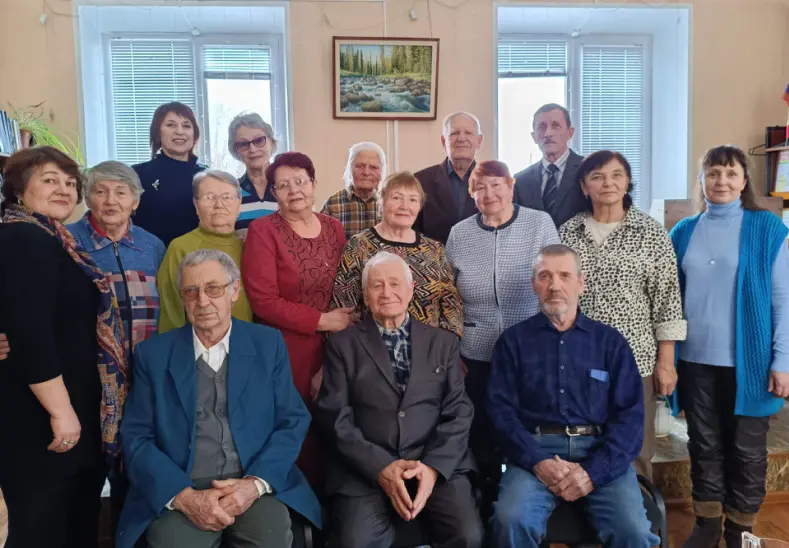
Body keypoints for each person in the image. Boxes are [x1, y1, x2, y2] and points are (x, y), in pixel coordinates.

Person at [116, 249, 321, 548]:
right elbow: (136, 436)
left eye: (213, 288)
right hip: (182, 486)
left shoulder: (267, 344)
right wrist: (183, 497)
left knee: (271, 537)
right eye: (191, 291)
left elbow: (292, 420)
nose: (202, 301)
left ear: (234, 291)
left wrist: (254, 485)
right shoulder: (154, 355)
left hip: (252, 482)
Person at [488, 244, 659, 548]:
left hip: (600, 449)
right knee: (510, 520)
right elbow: (501, 414)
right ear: (534, 284)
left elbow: (630, 419)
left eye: (565, 276)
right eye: (545, 276)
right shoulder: (513, 342)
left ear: (581, 283)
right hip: (535, 450)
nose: (555, 285)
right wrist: (538, 462)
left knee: (633, 530)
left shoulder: (611, 343)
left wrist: (592, 473)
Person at [0, 147, 127, 548]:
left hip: (66, 408)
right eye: (50, 180)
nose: (64, 189)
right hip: (42, 418)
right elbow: (30, 334)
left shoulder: (56, 239)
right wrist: (62, 413)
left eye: (70, 183)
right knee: (44, 526)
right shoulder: (23, 238)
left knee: (73, 521)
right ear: (19, 189)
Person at [316, 252, 483, 548]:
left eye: (395, 283)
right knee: (355, 542)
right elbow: (335, 417)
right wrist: (381, 467)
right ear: (365, 295)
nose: (386, 292)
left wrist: (432, 468)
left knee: (468, 535)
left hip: (434, 462)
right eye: (377, 285)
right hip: (365, 467)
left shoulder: (443, 342)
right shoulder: (343, 345)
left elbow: (459, 411)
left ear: (411, 290)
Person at [670, 145, 789, 548]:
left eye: (731, 173)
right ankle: (706, 524)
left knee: (747, 451)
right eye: (713, 173)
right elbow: (670, 300)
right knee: (703, 445)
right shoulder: (683, 231)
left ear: (744, 181)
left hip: (750, 364)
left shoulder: (767, 228)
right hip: (694, 361)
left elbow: (783, 300)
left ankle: (740, 529)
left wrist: (783, 360)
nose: (721, 181)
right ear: (701, 179)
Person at [558, 150, 686, 480]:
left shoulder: (651, 233)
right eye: (597, 176)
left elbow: (668, 302)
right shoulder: (568, 233)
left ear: (628, 182)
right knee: (582, 443)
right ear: (584, 186)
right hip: (578, 357)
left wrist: (666, 362)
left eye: (617, 175)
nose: (608, 183)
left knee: (634, 447)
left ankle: (636, 507)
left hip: (635, 359)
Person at [445, 160, 559, 517]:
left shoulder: (539, 223)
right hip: (474, 353)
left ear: (511, 186)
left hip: (529, 353)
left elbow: (555, 285)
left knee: (526, 431)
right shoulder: (460, 233)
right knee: (480, 433)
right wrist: (452, 348)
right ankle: (483, 510)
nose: (489, 193)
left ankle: (528, 509)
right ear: (471, 194)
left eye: (496, 185)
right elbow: (446, 296)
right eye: (480, 187)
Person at [242, 151, 351, 488]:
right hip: (286, 350)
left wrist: (336, 329)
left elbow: (346, 285)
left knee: (337, 427)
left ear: (314, 184)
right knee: (295, 432)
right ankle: (294, 506)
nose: (294, 190)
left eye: (300, 181)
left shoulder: (333, 228)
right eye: (283, 185)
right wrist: (322, 321)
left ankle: (335, 506)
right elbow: (263, 301)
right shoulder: (263, 230)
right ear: (274, 193)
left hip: (336, 348)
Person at [66, 160, 166, 527]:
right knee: (86, 469)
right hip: (87, 377)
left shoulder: (152, 246)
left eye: (121, 193)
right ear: (87, 197)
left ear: (135, 202)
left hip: (142, 375)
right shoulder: (68, 241)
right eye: (101, 191)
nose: (111, 201)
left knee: (136, 464)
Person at [331, 171, 462, 337]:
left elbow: (451, 302)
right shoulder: (359, 245)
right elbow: (343, 308)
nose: (404, 206)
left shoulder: (434, 249)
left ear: (419, 206)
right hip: (373, 346)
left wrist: (446, 343)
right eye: (397, 198)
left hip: (429, 348)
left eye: (412, 200)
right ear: (381, 201)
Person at [157, 169, 252, 333]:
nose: (219, 205)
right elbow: (171, 312)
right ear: (196, 204)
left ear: (239, 203)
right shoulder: (180, 247)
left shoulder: (249, 246)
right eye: (209, 197)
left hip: (247, 340)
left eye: (227, 197)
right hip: (197, 343)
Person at [133, 102, 207, 246]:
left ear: (195, 134)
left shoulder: (206, 176)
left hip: (199, 255)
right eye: (171, 125)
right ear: (157, 132)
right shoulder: (137, 175)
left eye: (186, 126)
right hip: (151, 255)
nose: (179, 131)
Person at [414, 111, 482, 244]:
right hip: (433, 256)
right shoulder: (420, 181)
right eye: (454, 133)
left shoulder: (492, 182)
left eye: (468, 133)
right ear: (443, 141)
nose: (461, 138)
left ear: (479, 141)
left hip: (480, 256)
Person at [513, 103, 585, 228]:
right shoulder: (520, 181)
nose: (547, 133)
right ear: (534, 137)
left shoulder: (588, 170)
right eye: (541, 127)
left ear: (570, 133)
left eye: (555, 126)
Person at [321, 141, 387, 240]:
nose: (366, 172)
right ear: (349, 169)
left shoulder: (390, 203)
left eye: (373, 167)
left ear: (382, 172)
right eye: (360, 166)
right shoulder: (332, 205)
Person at [226, 112, 279, 236]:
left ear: (271, 142)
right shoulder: (230, 192)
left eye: (259, 140)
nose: (253, 149)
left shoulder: (289, 187)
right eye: (243, 144)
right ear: (235, 151)